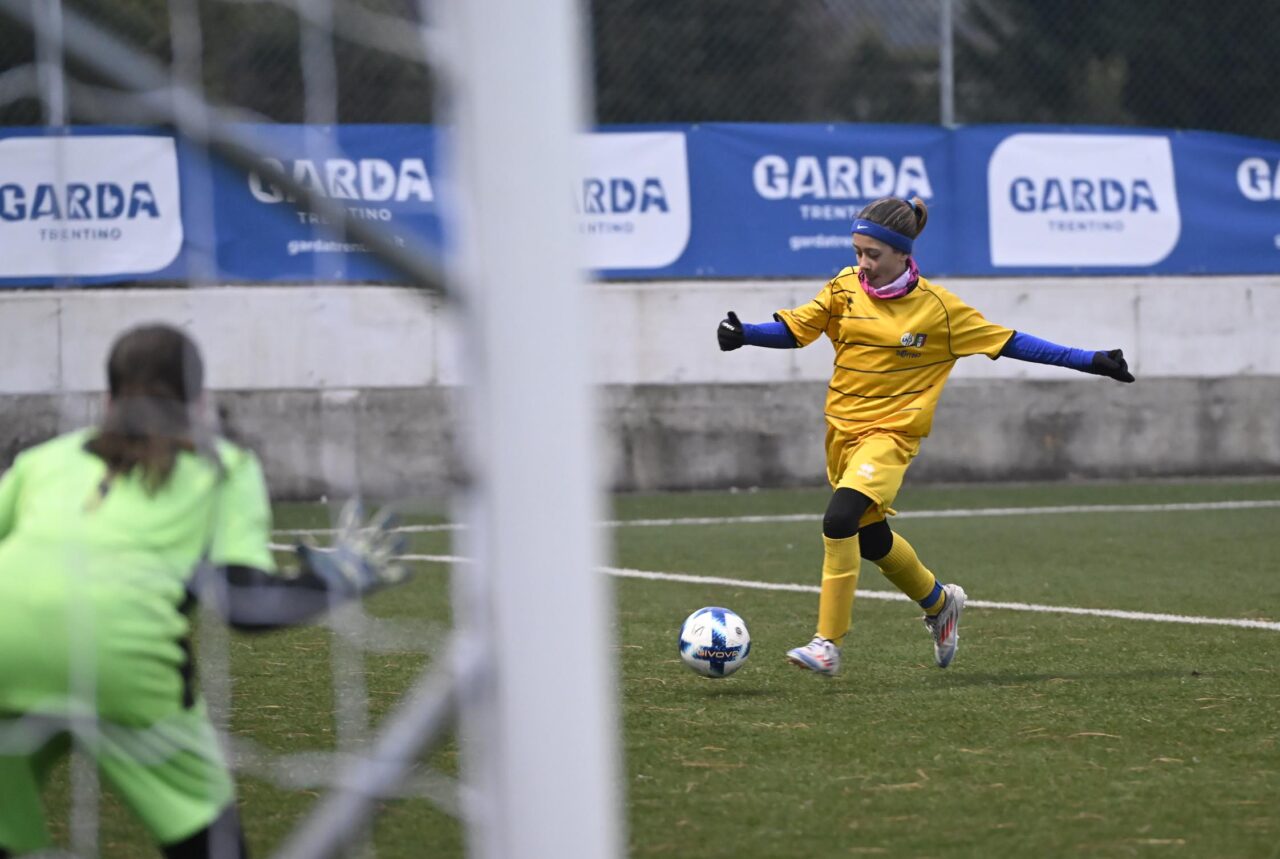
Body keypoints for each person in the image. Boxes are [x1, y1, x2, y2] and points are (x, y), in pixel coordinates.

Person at [0, 324, 408, 858]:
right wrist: (332, 581)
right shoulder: (223, 470)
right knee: (211, 844)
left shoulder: (44, 461)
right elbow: (246, 606)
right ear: (199, 401)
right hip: (121, 662)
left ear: (107, 399)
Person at [717, 196, 1134, 676]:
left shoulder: (939, 311)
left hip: (890, 437)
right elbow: (798, 329)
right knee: (871, 539)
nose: (863, 263)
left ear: (902, 253)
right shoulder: (844, 287)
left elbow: (1011, 342)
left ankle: (826, 644)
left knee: (840, 520)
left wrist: (1090, 360)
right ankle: (940, 605)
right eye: (857, 252)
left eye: (872, 254)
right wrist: (744, 332)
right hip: (841, 433)